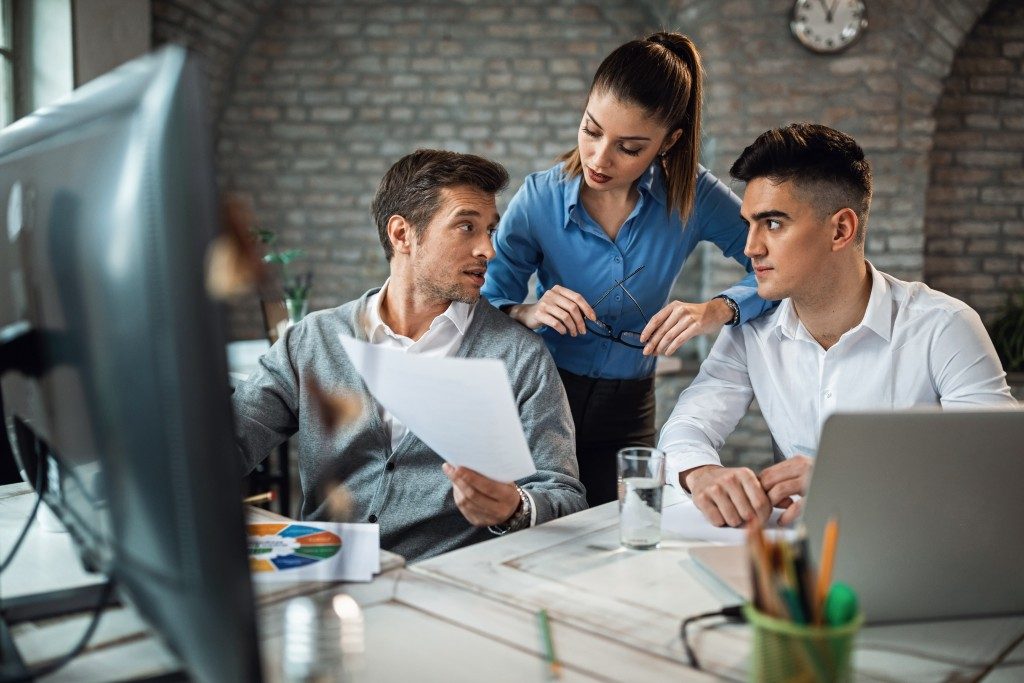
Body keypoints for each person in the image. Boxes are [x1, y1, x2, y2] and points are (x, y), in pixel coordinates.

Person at [232, 150, 587, 562]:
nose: (488, 250)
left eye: (490, 230)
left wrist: (514, 509)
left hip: (444, 587)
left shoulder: (518, 356)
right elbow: (229, 441)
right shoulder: (315, 339)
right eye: (466, 227)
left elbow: (564, 496)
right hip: (324, 579)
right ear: (402, 235)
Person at [658, 123, 1017, 528]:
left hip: (922, 555)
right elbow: (686, 428)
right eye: (749, 224)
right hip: (797, 562)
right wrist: (703, 474)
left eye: (772, 223)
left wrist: (847, 481)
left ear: (841, 229)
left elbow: (998, 466)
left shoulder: (945, 327)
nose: (750, 247)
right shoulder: (749, 333)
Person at [482, 32, 773, 506]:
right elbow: (482, 304)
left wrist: (718, 310)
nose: (599, 158)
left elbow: (777, 266)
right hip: (540, 398)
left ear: (669, 141)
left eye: (629, 147)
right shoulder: (538, 199)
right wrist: (525, 312)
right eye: (591, 130)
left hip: (632, 408)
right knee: (533, 532)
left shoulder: (694, 196)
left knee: (627, 533)